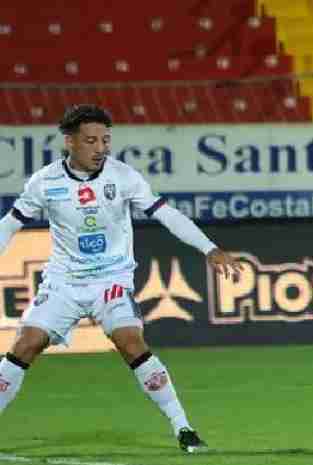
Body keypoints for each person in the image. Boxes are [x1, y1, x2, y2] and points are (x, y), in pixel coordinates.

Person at [0, 104, 241, 453]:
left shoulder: (123, 176)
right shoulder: (45, 182)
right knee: (26, 343)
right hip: (63, 282)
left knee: (130, 341)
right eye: (91, 141)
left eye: (105, 140)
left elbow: (167, 214)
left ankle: (184, 428)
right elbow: (9, 225)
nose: (100, 148)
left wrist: (210, 249)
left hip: (111, 279)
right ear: (70, 142)